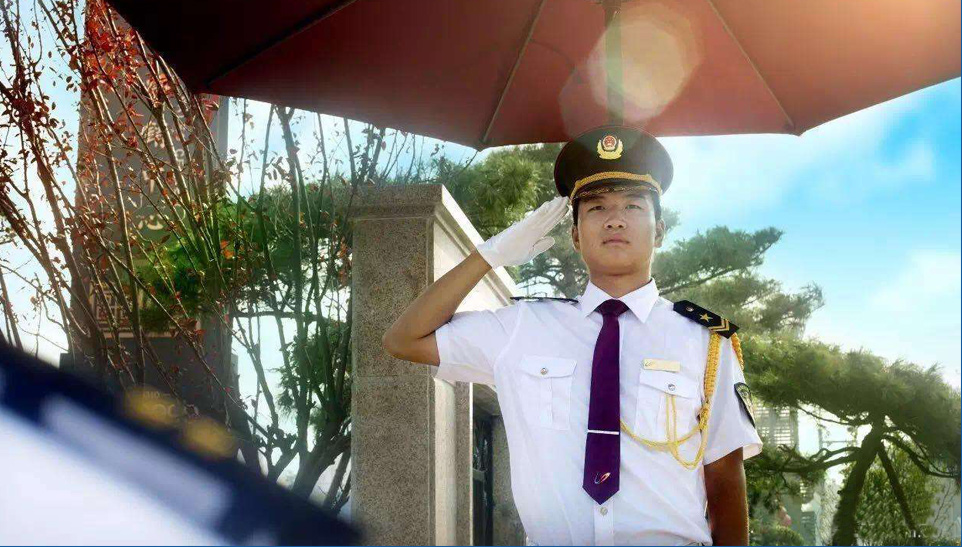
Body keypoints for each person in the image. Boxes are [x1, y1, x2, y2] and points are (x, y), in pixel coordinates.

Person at [382, 125, 762, 546]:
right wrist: (488, 256)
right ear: (576, 235)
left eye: (633, 205)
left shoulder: (705, 342)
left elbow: (725, 476)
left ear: (659, 230)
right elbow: (404, 339)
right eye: (596, 208)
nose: (615, 218)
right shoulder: (523, 327)